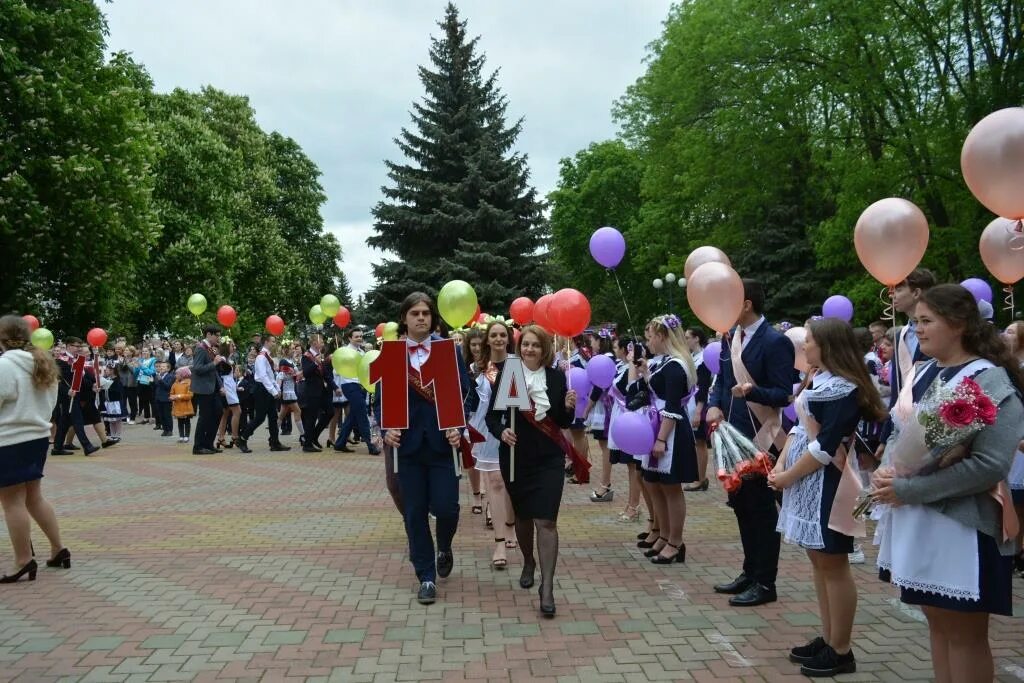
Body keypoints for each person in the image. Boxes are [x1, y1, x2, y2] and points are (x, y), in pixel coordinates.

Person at [872, 284, 1024, 683]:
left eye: (926, 321)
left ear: (957, 325)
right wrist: (888, 469)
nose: (917, 330)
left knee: (965, 634)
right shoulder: (925, 373)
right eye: (915, 321)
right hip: (921, 519)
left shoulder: (990, 380)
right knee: (937, 624)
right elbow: (900, 431)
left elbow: (988, 466)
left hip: (964, 526)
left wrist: (908, 490)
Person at [769, 319, 886, 676]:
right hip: (807, 479)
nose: (804, 347)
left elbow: (825, 445)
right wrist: (780, 463)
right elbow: (799, 427)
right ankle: (828, 635)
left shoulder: (845, 388)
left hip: (830, 483)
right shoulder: (819, 378)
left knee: (834, 564)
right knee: (819, 562)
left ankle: (842, 648)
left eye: (810, 342)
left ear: (829, 346)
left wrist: (789, 474)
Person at [706, 279, 795, 607]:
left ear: (746, 304)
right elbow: (721, 381)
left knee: (761, 511)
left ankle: (765, 581)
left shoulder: (775, 342)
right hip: (732, 435)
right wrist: (714, 402)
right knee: (741, 506)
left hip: (761, 435)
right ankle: (749, 570)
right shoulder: (731, 337)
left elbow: (784, 394)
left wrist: (752, 392)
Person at [382, 293, 467, 605]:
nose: (421, 318)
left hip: (444, 445)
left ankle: (444, 545)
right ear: (404, 318)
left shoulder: (448, 351)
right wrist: (385, 428)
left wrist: (460, 426)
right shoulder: (391, 354)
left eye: (426, 313)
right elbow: (381, 400)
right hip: (407, 448)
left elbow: (466, 394)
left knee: (447, 508)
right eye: (415, 313)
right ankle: (426, 577)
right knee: (415, 513)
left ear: (433, 318)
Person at [487, 325, 577, 617]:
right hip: (516, 455)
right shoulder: (508, 373)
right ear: (519, 347)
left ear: (545, 349)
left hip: (549, 458)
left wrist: (569, 407)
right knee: (524, 517)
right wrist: (502, 432)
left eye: (535, 345)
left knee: (546, 521)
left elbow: (562, 421)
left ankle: (547, 587)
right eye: (525, 344)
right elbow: (492, 417)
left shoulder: (555, 376)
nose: (529, 350)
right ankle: (528, 560)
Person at [0, 315, 69, 582]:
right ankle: (57, 548)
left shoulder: (6, 364)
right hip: (37, 436)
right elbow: (51, 401)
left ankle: (23, 560)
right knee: (34, 497)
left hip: (9, 437)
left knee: (12, 501)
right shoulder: (41, 360)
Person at [627, 315, 698, 565]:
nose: (648, 342)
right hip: (655, 425)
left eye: (651, 337)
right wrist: (646, 373)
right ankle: (665, 535)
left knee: (670, 487)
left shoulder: (676, 366)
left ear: (662, 337)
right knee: (654, 483)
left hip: (670, 431)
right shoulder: (665, 363)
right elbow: (656, 391)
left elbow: (672, 405)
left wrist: (661, 439)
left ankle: (676, 542)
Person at [470, 320, 517, 569]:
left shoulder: (517, 365)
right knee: (496, 482)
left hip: (514, 429)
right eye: (494, 335)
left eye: (502, 335)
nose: (498, 339)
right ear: (487, 339)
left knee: (510, 483)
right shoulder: (478, 368)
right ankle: (499, 541)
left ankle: (510, 526)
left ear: (508, 338)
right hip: (488, 430)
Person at [608, 337, 644, 523]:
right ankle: (632, 503)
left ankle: (635, 505)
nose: (614, 350)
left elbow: (626, 389)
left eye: (616, 347)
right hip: (621, 415)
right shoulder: (621, 366)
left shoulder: (634, 368)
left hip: (631, 418)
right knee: (630, 465)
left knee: (634, 465)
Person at [238, 335, 289, 454]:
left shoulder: (267, 356)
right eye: (272, 341)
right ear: (266, 342)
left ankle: (274, 442)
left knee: (273, 417)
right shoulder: (261, 357)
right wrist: (273, 390)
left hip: (267, 388)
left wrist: (276, 388)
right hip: (261, 389)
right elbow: (262, 376)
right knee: (260, 417)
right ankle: (243, 438)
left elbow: (270, 375)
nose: (274, 343)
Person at [51, 337, 98, 456]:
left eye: (79, 346)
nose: (78, 349)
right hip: (66, 396)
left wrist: (92, 386)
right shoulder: (60, 360)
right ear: (68, 346)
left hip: (76, 394)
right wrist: (67, 391)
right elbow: (57, 380)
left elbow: (81, 379)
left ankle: (57, 448)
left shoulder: (79, 360)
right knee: (78, 420)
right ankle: (87, 446)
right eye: (76, 346)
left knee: (64, 422)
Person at [336, 329, 379, 455]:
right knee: (362, 414)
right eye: (356, 337)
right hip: (349, 385)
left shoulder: (361, 352)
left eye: (361, 336)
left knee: (353, 415)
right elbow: (336, 370)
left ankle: (340, 443)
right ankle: (371, 446)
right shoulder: (345, 352)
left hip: (361, 385)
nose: (359, 338)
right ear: (350, 338)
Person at [584, 329, 615, 503]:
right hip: (604, 406)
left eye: (593, 341)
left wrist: (587, 408)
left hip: (605, 407)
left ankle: (606, 483)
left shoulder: (605, 359)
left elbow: (598, 386)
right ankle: (605, 482)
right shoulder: (606, 358)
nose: (591, 344)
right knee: (605, 446)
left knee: (606, 447)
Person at [1003, 320, 1024, 576]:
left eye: (1011, 332)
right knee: (1013, 499)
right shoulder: (1005, 366)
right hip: (1011, 434)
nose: (1005, 335)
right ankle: (1014, 549)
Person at [683, 326, 713, 491]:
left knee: (699, 442)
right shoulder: (693, 357)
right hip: (690, 403)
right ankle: (698, 476)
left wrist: (699, 410)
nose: (686, 340)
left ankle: (700, 478)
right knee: (695, 443)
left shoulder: (703, 358)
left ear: (697, 338)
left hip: (698, 404)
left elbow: (703, 386)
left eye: (688, 337)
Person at [461, 328, 486, 520]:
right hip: (469, 415)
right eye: (473, 344)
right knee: (470, 459)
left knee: (488, 458)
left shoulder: (491, 364)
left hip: (488, 416)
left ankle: (489, 501)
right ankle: (476, 495)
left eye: (480, 344)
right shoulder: (462, 365)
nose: (477, 348)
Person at [191, 325, 225, 455]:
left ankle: (208, 443)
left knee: (218, 412)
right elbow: (197, 369)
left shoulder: (210, 349)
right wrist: (214, 363)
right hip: (203, 388)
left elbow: (214, 371)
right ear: (209, 335)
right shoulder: (201, 349)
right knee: (204, 417)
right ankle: (198, 446)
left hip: (213, 388)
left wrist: (220, 385)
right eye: (217, 335)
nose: (219, 338)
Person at [299, 334, 327, 452]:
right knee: (311, 417)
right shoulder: (307, 356)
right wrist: (315, 363)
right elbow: (305, 372)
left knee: (329, 411)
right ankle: (308, 444)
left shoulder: (320, 355)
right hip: (311, 391)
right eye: (321, 341)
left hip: (321, 389)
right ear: (314, 342)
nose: (323, 343)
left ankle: (312, 436)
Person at [215, 347, 240, 449]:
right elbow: (219, 374)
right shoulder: (222, 359)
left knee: (225, 412)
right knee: (237, 411)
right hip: (226, 386)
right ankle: (234, 436)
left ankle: (221, 438)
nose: (234, 347)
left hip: (230, 385)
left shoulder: (228, 358)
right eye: (231, 345)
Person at [170, 367, 194, 444]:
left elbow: (190, 395)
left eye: (177, 374)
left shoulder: (189, 383)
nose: (175, 375)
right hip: (178, 406)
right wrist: (172, 397)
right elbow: (171, 393)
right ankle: (181, 436)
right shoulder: (175, 383)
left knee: (186, 422)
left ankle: (186, 436)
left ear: (183, 375)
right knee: (180, 422)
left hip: (186, 407)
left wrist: (178, 396)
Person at [154, 361, 174, 438]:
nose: (161, 368)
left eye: (163, 366)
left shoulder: (170, 376)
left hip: (166, 399)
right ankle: (165, 429)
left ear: (168, 368)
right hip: (158, 398)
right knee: (161, 415)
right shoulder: (158, 375)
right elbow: (156, 385)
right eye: (160, 366)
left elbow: (168, 387)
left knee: (167, 415)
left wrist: (160, 380)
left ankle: (169, 430)